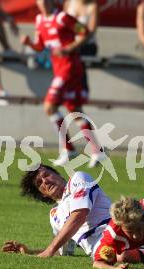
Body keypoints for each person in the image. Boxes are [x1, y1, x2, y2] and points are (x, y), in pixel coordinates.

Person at [2, 164, 144, 265]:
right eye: (40, 183)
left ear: (58, 174)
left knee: (121, 255)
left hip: (122, 232)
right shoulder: (54, 215)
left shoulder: (78, 179)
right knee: (115, 255)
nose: (45, 181)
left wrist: (49, 250)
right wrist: (30, 251)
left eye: (46, 175)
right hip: (102, 252)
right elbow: (63, 251)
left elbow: (80, 214)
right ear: (42, 194)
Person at [21, 0, 105, 167]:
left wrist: (70, 48)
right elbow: (41, 46)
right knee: (74, 109)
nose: (43, 3)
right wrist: (30, 43)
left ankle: (68, 149)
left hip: (70, 68)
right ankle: (97, 151)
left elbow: (85, 31)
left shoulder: (63, 18)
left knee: (49, 106)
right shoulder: (39, 21)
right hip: (59, 69)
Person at [65, 0, 98, 99]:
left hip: (87, 46)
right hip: (70, 46)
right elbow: (64, 24)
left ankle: (82, 91)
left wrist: (75, 44)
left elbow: (91, 31)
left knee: (76, 57)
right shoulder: (68, 3)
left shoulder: (93, 6)